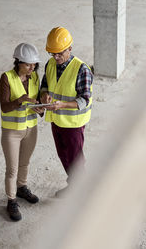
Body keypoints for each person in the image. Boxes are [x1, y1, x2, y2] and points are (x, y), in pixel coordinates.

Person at [40, 27, 93, 196]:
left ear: (70, 48)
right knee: (64, 155)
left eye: (59, 53)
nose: (56, 57)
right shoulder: (50, 64)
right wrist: (44, 96)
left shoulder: (81, 70)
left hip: (73, 123)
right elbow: (44, 86)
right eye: (52, 54)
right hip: (56, 119)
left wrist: (62, 105)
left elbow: (84, 100)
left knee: (75, 159)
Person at [0, 42, 44, 221]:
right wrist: (20, 100)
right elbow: (4, 107)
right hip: (12, 132)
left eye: (34, 64)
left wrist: (40, 108)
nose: (32, 67)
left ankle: (22, 188)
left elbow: (35, 102)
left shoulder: (34, 78)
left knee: (25, 163)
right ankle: (11, 200)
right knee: (12, 169)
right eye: (27, 64)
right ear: (17, 62)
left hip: (30, 128)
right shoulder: (6, 78)